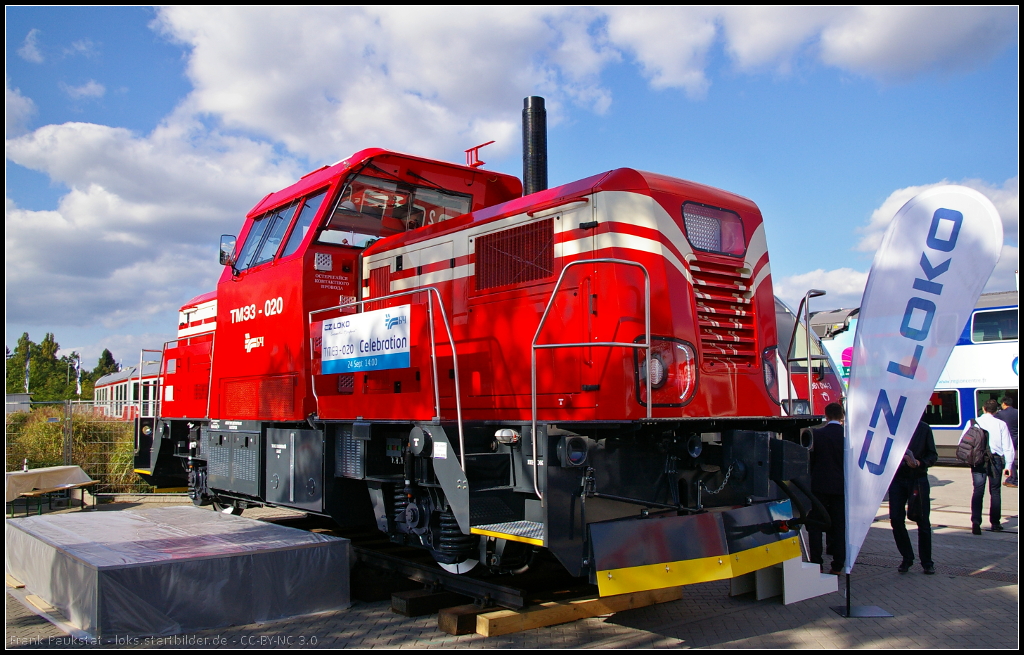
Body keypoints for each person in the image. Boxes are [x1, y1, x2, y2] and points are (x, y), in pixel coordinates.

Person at [888, 416, 938, 574]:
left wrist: (919, 463)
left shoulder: (923, 428)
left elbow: (932, 455)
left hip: (917, 478)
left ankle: (927, 562)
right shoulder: (893, 428)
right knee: (896, 519)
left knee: (922, 521)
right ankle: (907, 557)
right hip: (897, 478)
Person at [960, 399, 1015, 534]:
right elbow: (1008, 447)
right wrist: (1009, 465)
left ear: (984, 409)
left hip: (978, 461)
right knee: (995, 492)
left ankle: (976, 523)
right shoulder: (1001, 424)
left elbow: (962, 441)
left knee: (978, 491)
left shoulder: (973, 423)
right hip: (995, 460)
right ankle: (995, 524)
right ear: (996, 411)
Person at [808, 402, 846, 574]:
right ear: (842, 417)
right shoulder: (847, 436)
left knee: (815, 524)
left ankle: (816, 563)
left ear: (826, 416)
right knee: (839, 526)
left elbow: (811, 461)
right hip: (840, 488)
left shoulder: (817, 434)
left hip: (820, 486)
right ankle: (838, 565)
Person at [995, 396, 1017, 488]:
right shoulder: (1017, 412)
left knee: (1009, 458)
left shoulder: (1000, 414)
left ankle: (1013, 480)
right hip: (1017, 437)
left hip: (1008, 439)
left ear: (1004, 403)